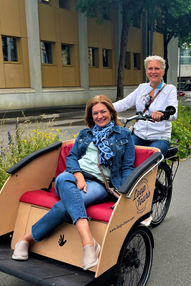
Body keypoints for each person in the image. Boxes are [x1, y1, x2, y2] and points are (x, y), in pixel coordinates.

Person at [12, 95, 135, 271]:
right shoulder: (85, 134)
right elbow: (72, 157)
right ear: (90, 116)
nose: (99, 116)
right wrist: (78, 175)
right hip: (75, 177)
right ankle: (88, 242)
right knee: (62, 178)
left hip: (99, 183)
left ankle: (26, 239)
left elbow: (127, 167)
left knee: (64, 207)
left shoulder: (124, 135)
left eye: (103, 111)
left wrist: (124, 193)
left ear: (111, 112)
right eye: (95, 113)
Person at [113, 55, 178, 157]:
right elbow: (124, 103)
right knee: (122, 153)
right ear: (146, 71)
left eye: (157, 68)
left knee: (150, 160)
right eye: (150, 68)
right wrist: (104, 108)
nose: (153, 71)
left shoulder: (170, 89)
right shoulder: (142, 88)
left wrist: (163, 115)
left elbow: (173, 113)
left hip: (159, 137)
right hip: (139, 135)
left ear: (163, 72)